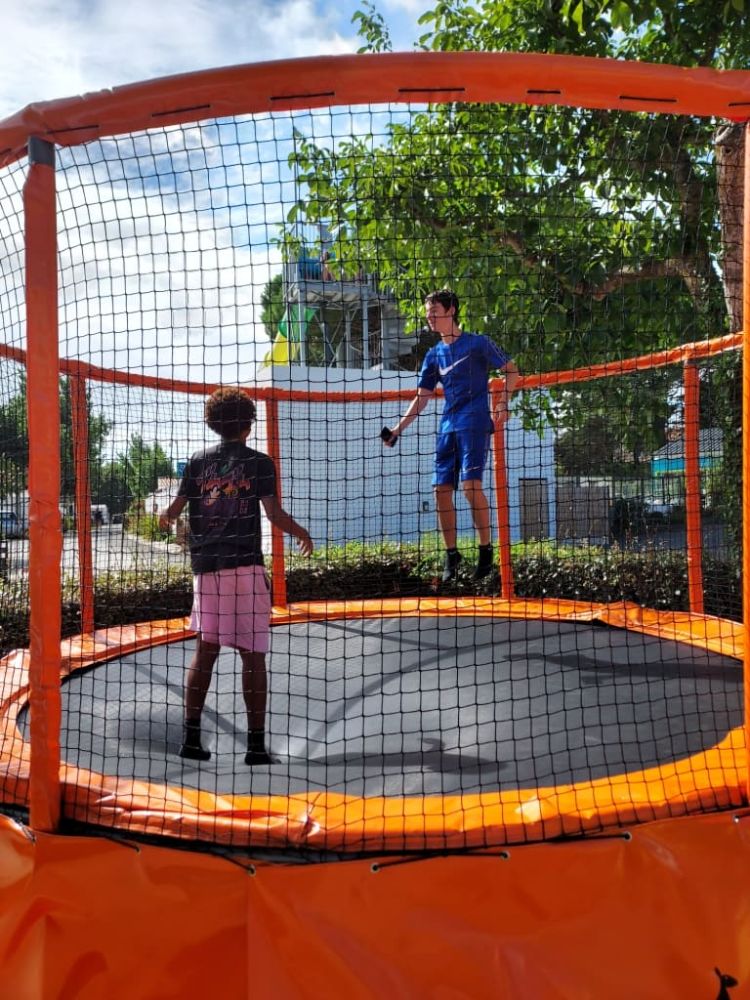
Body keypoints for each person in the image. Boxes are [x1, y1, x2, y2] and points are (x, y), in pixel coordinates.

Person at [159, 387, 313, 765]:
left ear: (213, 424)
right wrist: (301, 533)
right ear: (248, 425)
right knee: (252, 655)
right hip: (245, 565)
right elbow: (274, 515)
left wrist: (168, 519)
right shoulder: (260, 462)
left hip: (207, 568)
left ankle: (191, 740)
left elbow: (172, 511)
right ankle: (255, 747)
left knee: (205, 651)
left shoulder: (197, 462)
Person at [382, 289, 519, 583]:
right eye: (427, 313)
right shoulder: (434, 355)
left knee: (470, 487)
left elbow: (511, 371)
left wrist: (504, 402)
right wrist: (397, 429)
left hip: (475, 423)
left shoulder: (478, 343)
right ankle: (451, 554)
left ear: (452, 310)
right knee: (440, 490)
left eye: (434, 312)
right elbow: (422, 397)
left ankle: (485, 551)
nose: (429, 318)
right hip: (449, 427)